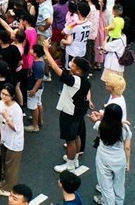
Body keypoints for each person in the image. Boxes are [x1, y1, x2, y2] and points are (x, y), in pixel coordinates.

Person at [41, 39, 91, 173]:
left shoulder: (74, 80)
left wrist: (46, 50)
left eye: (73, 64)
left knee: (70, 139)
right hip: (79, 111)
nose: (71, 65)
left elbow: (56, 69)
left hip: (69, 111)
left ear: (78, 70)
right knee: (76, 136)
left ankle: (69, 164)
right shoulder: (85, 79)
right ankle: (74, 159)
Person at [92, 103, 130, 205]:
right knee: (119, 185)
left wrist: (96, 119)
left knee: (106, 187)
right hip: (119, 159)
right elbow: (127, 147)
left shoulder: (100, 126)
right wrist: (127, 163)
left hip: (103, 158)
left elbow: (99, 123)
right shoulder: (125, 128)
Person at [0, 84, 24, 196]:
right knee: (4, 162)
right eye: (2, 93)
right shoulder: (0, 104)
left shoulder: (17, 109)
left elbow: (17, 128)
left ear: (12, 96)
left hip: (14, 141)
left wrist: (7, 117)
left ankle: (8, 188)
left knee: (11, 165)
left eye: (6, 95)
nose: (3, 96)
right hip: (4, 138)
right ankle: (3, 182)